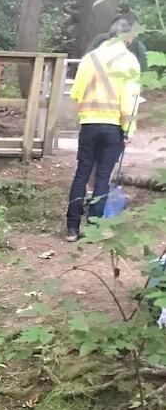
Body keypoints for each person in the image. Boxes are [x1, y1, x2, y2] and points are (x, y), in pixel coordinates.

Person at [66, 17, 142, 242]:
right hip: (113, 127)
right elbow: (131, 99)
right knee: (102, 177)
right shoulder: (130, 61)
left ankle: (71, 228)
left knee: (82, 173)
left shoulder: (90, 58)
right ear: (129, 37)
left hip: (88, 123)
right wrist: (129, 129)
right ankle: (93, 228)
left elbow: (76, 93)